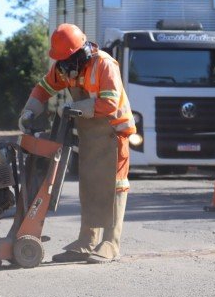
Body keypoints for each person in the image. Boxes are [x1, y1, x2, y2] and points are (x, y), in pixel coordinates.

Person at [19, 24, 135, 264]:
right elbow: (43, 88)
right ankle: (86, 242)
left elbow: (109, 104)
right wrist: (29, 111)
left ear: (79, 52)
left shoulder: (104, 64)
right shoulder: (65, 67)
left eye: (65, 59)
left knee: (114, 187)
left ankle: (111, 244)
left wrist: (75, 108)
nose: (62, 67)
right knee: (91, 186)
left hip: (115, 133)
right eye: (59, 60)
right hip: (91, 135)